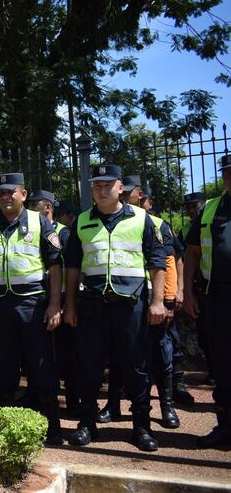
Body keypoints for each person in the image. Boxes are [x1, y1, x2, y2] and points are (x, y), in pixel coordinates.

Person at [64, 164, 166, 452]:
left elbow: (157, 262)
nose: (101, 189)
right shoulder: (82, 221)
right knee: (89, 368)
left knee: (136, 367)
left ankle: (141, 428)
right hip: (93, 306)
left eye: (108, 184)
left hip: (130, 305)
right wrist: (70, 305)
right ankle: (87, 424)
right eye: (97, 184)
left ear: (121, 188)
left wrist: (158, 302)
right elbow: (72, 267)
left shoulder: (141, 219)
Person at [0, 174, 64, 445]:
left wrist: (55, 304)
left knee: (40, 365)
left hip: (32, 304)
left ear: (23, 194)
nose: (6, 197)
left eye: (11, 192)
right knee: (1, 366)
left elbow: (55, 265)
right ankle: (4, 427)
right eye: (1, 193)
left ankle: (52, 427)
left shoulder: (39, 222)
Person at [98, 175, 181, 429]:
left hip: (153, 301)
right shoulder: (112, 221)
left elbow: (169, 262)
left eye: (130, 193)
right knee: (120, 355)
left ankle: (167, 406)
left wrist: (167, 300)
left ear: (141, 195)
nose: (124, 197)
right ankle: (113, 404)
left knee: (160, 354)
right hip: (129, 302)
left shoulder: (156, 223)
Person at [183, 154, 231, 448]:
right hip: (218, 299)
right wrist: (187, 292)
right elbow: (191, 253)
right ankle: (225, 427)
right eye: (226, 173)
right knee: (222, 365)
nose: (229, 178)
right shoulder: (210, 209)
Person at [26, 189, 79, 418]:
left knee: (66, 353)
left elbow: (69, 268)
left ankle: (73, 401)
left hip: (58, 299)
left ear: (48, 207)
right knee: (36, 353)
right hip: (37, 300)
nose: (29, 207)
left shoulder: (64, 233)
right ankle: (35, 396)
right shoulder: (27, 228)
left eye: (34, 204)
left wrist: (65, 303)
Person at [179, 191, 213, 388]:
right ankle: (214, 371)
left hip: (214, 283)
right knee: (207, 331)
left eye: (195, 206)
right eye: (189, 207)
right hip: (200, 285)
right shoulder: (185, 229)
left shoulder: (212, 216)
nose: (192, 210)